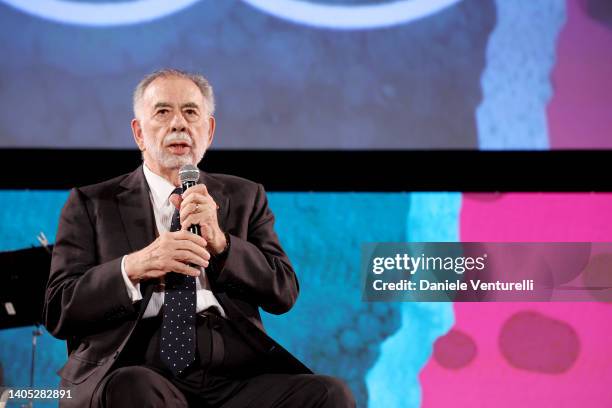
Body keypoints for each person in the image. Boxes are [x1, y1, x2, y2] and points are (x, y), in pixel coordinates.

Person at [44, 69, 355, 408]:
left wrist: (223, 245)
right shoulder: (92, 203)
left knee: (329, 394)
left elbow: (283, 292)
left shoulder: (244, 196)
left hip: (233, 369)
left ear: (208, 131)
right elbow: (60, 308)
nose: (179, 124)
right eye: (163, 112)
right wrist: (135, 266)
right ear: (139, 134)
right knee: (134, 386)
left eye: (191, 112)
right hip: (137, 362)